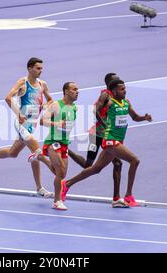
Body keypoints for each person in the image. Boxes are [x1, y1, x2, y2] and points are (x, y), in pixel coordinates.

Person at [60, 79, 152, 207]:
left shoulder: (126, 102)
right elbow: (96, 111)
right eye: (122, 89)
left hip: (118, 140)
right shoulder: (109, 102)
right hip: (109, 140)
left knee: (95, 169)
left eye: (125, 88)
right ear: (114, 90)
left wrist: (144, 118)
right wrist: (104, 124)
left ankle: (67, 184)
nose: (125, 91)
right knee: (134, 160)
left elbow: (135, 117)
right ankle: (128, 196)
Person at [0, 57, 54, 197]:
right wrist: (18, 114)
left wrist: (45, 106)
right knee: (36, 152)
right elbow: (8, 98)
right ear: (29, 68)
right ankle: (40, 187)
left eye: (41, 68)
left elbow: (50, 99)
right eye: (38, 68)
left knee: (12, 153)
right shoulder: (23, 83)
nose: (41, 71)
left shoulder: (42, 84)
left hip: (33, 125)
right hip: (22, 124)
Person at [67, 73, 130, 208]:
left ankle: (116, 198)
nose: (118, 80)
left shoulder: (118, 97)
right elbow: (95, 110)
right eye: (115, 80)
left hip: (110, 138)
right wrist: (104, 124)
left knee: (118, 163)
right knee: (88, 166)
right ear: (109, 84)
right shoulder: (105, 96)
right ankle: (67, 151)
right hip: (96, 135)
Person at [40, 82, 79, 210]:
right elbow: (42, 121)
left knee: (61, 174)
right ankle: (57, 201)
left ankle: (41, 158)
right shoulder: (56, 105)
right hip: (53, 141)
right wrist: (56, 123)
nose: (77, 91)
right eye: (74, 89)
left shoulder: (74, 107)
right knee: (61, 170)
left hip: (64, 143)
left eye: (77, 89)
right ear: (66, 91)